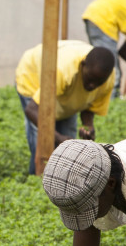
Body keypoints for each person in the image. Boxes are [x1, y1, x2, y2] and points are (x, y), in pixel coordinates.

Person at [14, 40, 116, 175]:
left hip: (64, 88)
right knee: (43, 144)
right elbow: (32, 110)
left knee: (67, 146)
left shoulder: (106, 78)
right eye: (90, 79)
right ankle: (38, 179)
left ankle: (62, 182)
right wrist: (58, 137)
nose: (92, 86)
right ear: (83, 65)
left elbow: (90, 106)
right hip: (33, 76)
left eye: (98, 83)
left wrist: (88, 127)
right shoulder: (63, 71)